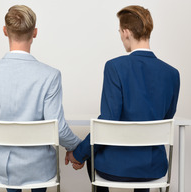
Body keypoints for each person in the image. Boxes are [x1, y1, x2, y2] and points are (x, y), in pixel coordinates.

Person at [65, 5, 180, 192]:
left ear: (126, 32)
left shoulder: (115, 67)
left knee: (92, 155)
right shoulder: (172, 74)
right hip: (153, 168)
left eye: (119, 31)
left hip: (116, 168)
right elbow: (166, 118)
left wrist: (79, 154)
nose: (120, 36)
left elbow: (108, 121)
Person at [0, 5, 81, 192]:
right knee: (37, 172)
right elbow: (58, 127)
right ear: (35, 33)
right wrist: (78, 149)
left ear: (5, 31)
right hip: (38, 169)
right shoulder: (50, 75)